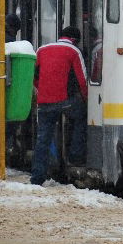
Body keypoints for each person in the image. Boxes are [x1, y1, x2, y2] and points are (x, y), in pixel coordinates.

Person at [30, 26, 88, 186]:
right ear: (75, 40)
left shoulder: (42, 49)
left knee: (43, 138)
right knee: (81, 117)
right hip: (66, 102)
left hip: (44, 102)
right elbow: (82, 80)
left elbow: (33, 75)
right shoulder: (74, 51)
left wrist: (42, 89)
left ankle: (37, 177)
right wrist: (85, 99)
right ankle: (75, 157)